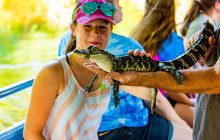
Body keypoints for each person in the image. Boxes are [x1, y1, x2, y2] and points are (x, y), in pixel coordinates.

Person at [58, 0, 193, 139]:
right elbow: (154, 99)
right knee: (193, 135)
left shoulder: (67, 39)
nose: (121, 7)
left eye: (102, 28)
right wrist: (182, 124)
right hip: (130, 126)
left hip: (89, 129)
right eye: (118, 3)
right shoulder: (128, 45)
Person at [84, 33, 220, 140]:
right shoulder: (126, 46)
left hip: (132, 118)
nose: (95, 33)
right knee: (193, 133)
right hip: (133, 124)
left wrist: (138, 78)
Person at [23, 0, 116, 139]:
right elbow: (31, 133)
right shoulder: (53, 72)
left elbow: (146, 91)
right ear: (73, 29)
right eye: (88, 26)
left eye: (102, 27)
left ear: (110, 31)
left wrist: (144, 66)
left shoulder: (109, 69)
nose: (95, 33)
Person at [129, 0, 194, 128]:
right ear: (171, 11)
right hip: (163, 101)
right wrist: (191, 103)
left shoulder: (135, 35)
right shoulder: (175, 42)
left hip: (140, 101)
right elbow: (171, 89)